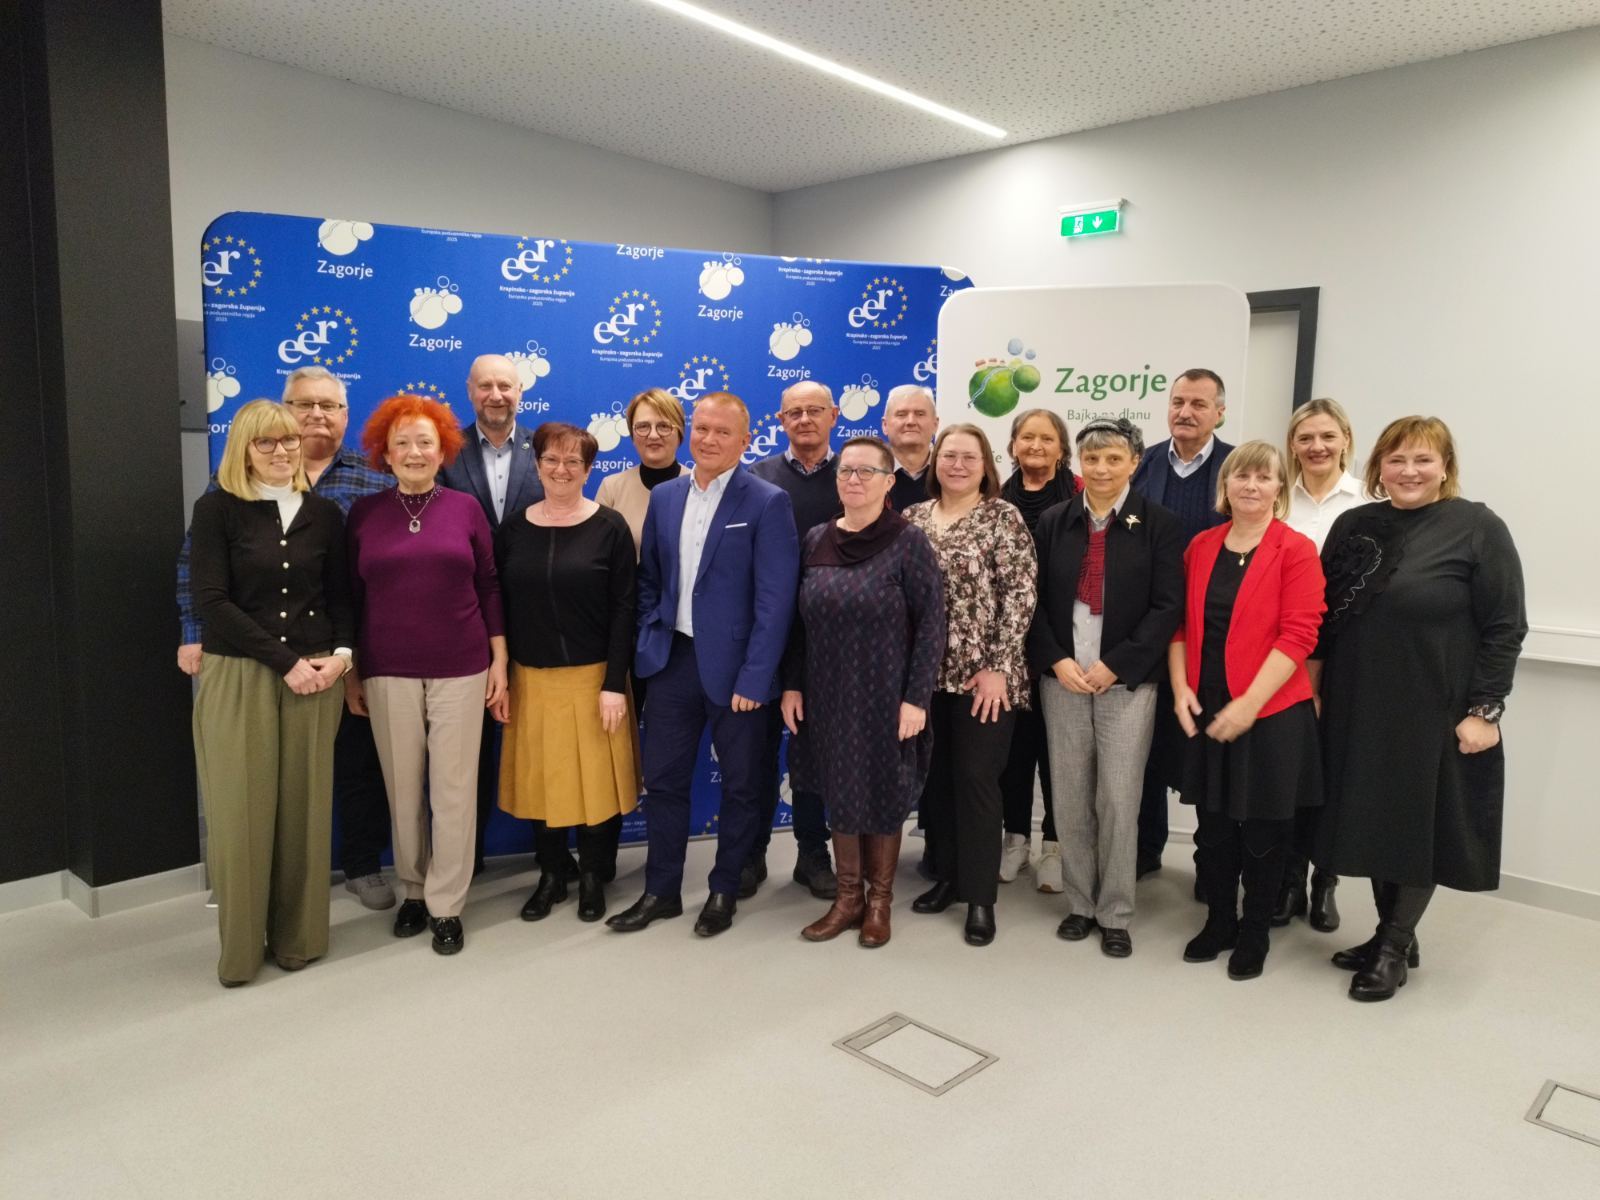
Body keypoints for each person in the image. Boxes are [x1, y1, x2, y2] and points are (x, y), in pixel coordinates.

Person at [1311, 416, 1525, 1002]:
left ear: (1445, 467)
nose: (1409, 471)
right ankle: (1393, 936)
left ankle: (1392, 947)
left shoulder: (1477, 527)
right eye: (1397, 459)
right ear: (1378, 466)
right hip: (1358, 703)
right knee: (1375, 819)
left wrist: (1485, 710)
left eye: (1423, 460)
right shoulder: (1355, 525)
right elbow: (1325, 619)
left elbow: (1506, 626)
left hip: (1433, 706)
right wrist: (1315, 688)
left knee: (1416, 824)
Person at [178, 366, 394, 912]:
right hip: (253, 654)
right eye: (305, 404)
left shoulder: (374, 479)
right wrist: (193, 632)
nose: (317, 414)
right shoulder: (229, 487)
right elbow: (196, 564)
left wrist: (349, 656)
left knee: (356, 764)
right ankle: (250, 882)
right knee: (251, 779)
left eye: (330, 405)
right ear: (285, 410)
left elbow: (363, 580)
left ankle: (362, 866)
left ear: (346, 415)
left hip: (344, 650)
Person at [608, 392, 799, 938]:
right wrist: (652, 633)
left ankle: (723, 889)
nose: (709, 440)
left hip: (739, 672)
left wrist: (756, 676)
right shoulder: (666, 496)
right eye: (703, 429)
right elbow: (650, 578)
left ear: (745, 441)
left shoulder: (767, 501)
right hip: (673, 663)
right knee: (664, 782)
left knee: (741, 785)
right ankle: (661, 891)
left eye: (723, 432)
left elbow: (775, 601)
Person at [187, 400, 352, 985]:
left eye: (289, 441)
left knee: (305, 811)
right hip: (241, 676)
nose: (281, 452)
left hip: (317, 678)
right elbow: (211, 601)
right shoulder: (217, 510)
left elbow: (342, 597)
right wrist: (286, 664)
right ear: (244, 449)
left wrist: (343, 657)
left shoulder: (325, 514)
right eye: (266, 443)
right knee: (241, 815)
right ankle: (240, 951)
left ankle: (298, 938)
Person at [346, 394, 507, 956]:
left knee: (455, 790)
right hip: (386, 669)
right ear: (385, 454)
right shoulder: (364, 514)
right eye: (402, 443)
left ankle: (446, 903)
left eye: (425, 442)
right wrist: (352, 674)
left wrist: (500, 660)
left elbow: (489, 586)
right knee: (403, 788)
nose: (414, 452)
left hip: (462, 667)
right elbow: (350, 596)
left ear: (443, 451)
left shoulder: (465, 509)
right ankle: (413, 889)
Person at [781, 437, 945, 947]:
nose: (853, 479)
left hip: (885, 693)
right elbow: (797, 623)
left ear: (889, 481)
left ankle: (879, 902)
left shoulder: (909, 542)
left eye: (866, 471)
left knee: (883, 791)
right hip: (826, 693)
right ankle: (847, 898)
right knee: (839, 791)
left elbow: (932, 624)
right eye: (846, 471)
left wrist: (916, 698)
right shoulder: (815, 539)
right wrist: (792, 685)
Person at [1029, 418, 1185, 958]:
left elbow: (1168, 607)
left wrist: (1117, 664)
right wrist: (1055, 659)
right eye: (1092, 459)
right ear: (1079, 463)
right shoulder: (1054, 521)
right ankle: (1079, 903)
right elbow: (1032, 603)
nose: (1101, 469)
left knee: (1118, 798)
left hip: (1127, 683)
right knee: (1070, 797)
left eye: (1114, 459)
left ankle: (1115, 911)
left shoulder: (1159, 524)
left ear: (1134, 463)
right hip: (1064, 679)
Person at [1171, 441, 1325, 980]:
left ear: (1280, 487)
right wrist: (1180, 688)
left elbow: (1299, 635)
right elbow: (1180, 624)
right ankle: (1219, 921)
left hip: (1272, 711)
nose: (1252, 486)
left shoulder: (1296, 549)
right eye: (1242, 476)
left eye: (1264, 477)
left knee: (1264, 832)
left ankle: (1255, 930)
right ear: (1226, 485)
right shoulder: (1201, 546)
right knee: (1213, 826)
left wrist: (1250, 705)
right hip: (1209, 704)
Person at [495, 422, 638, 924]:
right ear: (536, 465)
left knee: (596, 786)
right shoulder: (512, 530)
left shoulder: (611, 528)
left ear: (588, 469)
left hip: (594, 679)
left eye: (573, 461)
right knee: (541, 784)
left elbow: (625, 609)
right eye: (551, 460)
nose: (561, 469)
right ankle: (553, 874)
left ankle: (594, 875)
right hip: (530, 679)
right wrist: (501, 674)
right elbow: (498, 605)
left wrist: (614, 684)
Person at [439, 354, 570, 883]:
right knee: (463, 749)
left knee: (538, 739)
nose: (496, 395)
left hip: (537, 616)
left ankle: (551, 856)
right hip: (461, 616)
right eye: (486, 386)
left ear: (521, 392)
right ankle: (462, 860)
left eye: (506, 386)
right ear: (470, 391)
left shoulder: (547, 451)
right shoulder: (443, 449)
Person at [904, 424, 1036, 946]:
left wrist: (999, 666)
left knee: (976, 781)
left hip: (986, 679)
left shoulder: (1003, 517)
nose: (957, 465)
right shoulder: (912, 519)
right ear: (935, 461)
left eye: (969, 457)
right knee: (936, 781)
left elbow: (1021, 595)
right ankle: (948, 877)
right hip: (925, 675)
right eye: (949, 455)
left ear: (986, 465)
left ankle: (980, 898)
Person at [1130, 368, 1236, 882]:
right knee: (1147, 746)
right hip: (1150, 627)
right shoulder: (1143, 464)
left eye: (1198, 404)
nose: (1185, 412)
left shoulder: (1235, 467)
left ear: (1220, 412)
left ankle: (1211, 862)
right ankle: (1146, 848)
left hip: (1216, 631)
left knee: (1210, 747)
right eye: (1177, 402)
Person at [748, 380, 840, 900]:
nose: (804, 419)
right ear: (780, 420)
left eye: (814, 410)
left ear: (833, 416)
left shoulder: (853, 477)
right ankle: (751, 852)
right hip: (764, 636)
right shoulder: (756, 477)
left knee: (811, 755)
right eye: (794, 412)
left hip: (828, 640)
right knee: (756, 754)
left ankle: (812, 853)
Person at [1277, 397, 1365, 932]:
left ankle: (1324, 881)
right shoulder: (1276, 498)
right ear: (1292, 444)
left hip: (1347, 655)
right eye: (1306, 437)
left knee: (1333, 772)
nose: (1317, 447)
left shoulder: (1369, 500)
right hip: (1282, 655)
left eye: (1328, 436)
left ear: (1346, 440)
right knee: (1291, 771)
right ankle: (1287, 879)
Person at [997, 407, 1081, 892]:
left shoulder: (1080, 496)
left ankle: (1054, 844)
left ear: (1061, 449)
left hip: (1062, 646)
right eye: (1027, 437)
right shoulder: (995, 497)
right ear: (1013, 445)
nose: (1035, 446)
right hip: (1007, 651)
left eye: (1047, 438)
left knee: (1057, 754)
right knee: (1014, 750)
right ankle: (1014, 839)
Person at [595, 387, 689, 552]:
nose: (653, 435)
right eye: (643, 426)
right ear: (632, 435)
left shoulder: (701, 487)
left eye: (663, 426)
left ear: (679, 433)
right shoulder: (611, 489)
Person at [882, 384, 939, 512]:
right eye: (901, 414)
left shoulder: (952, 472)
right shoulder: (866, 472)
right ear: (885, 425)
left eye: (920, 414)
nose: (911, 421)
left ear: (935, 424)